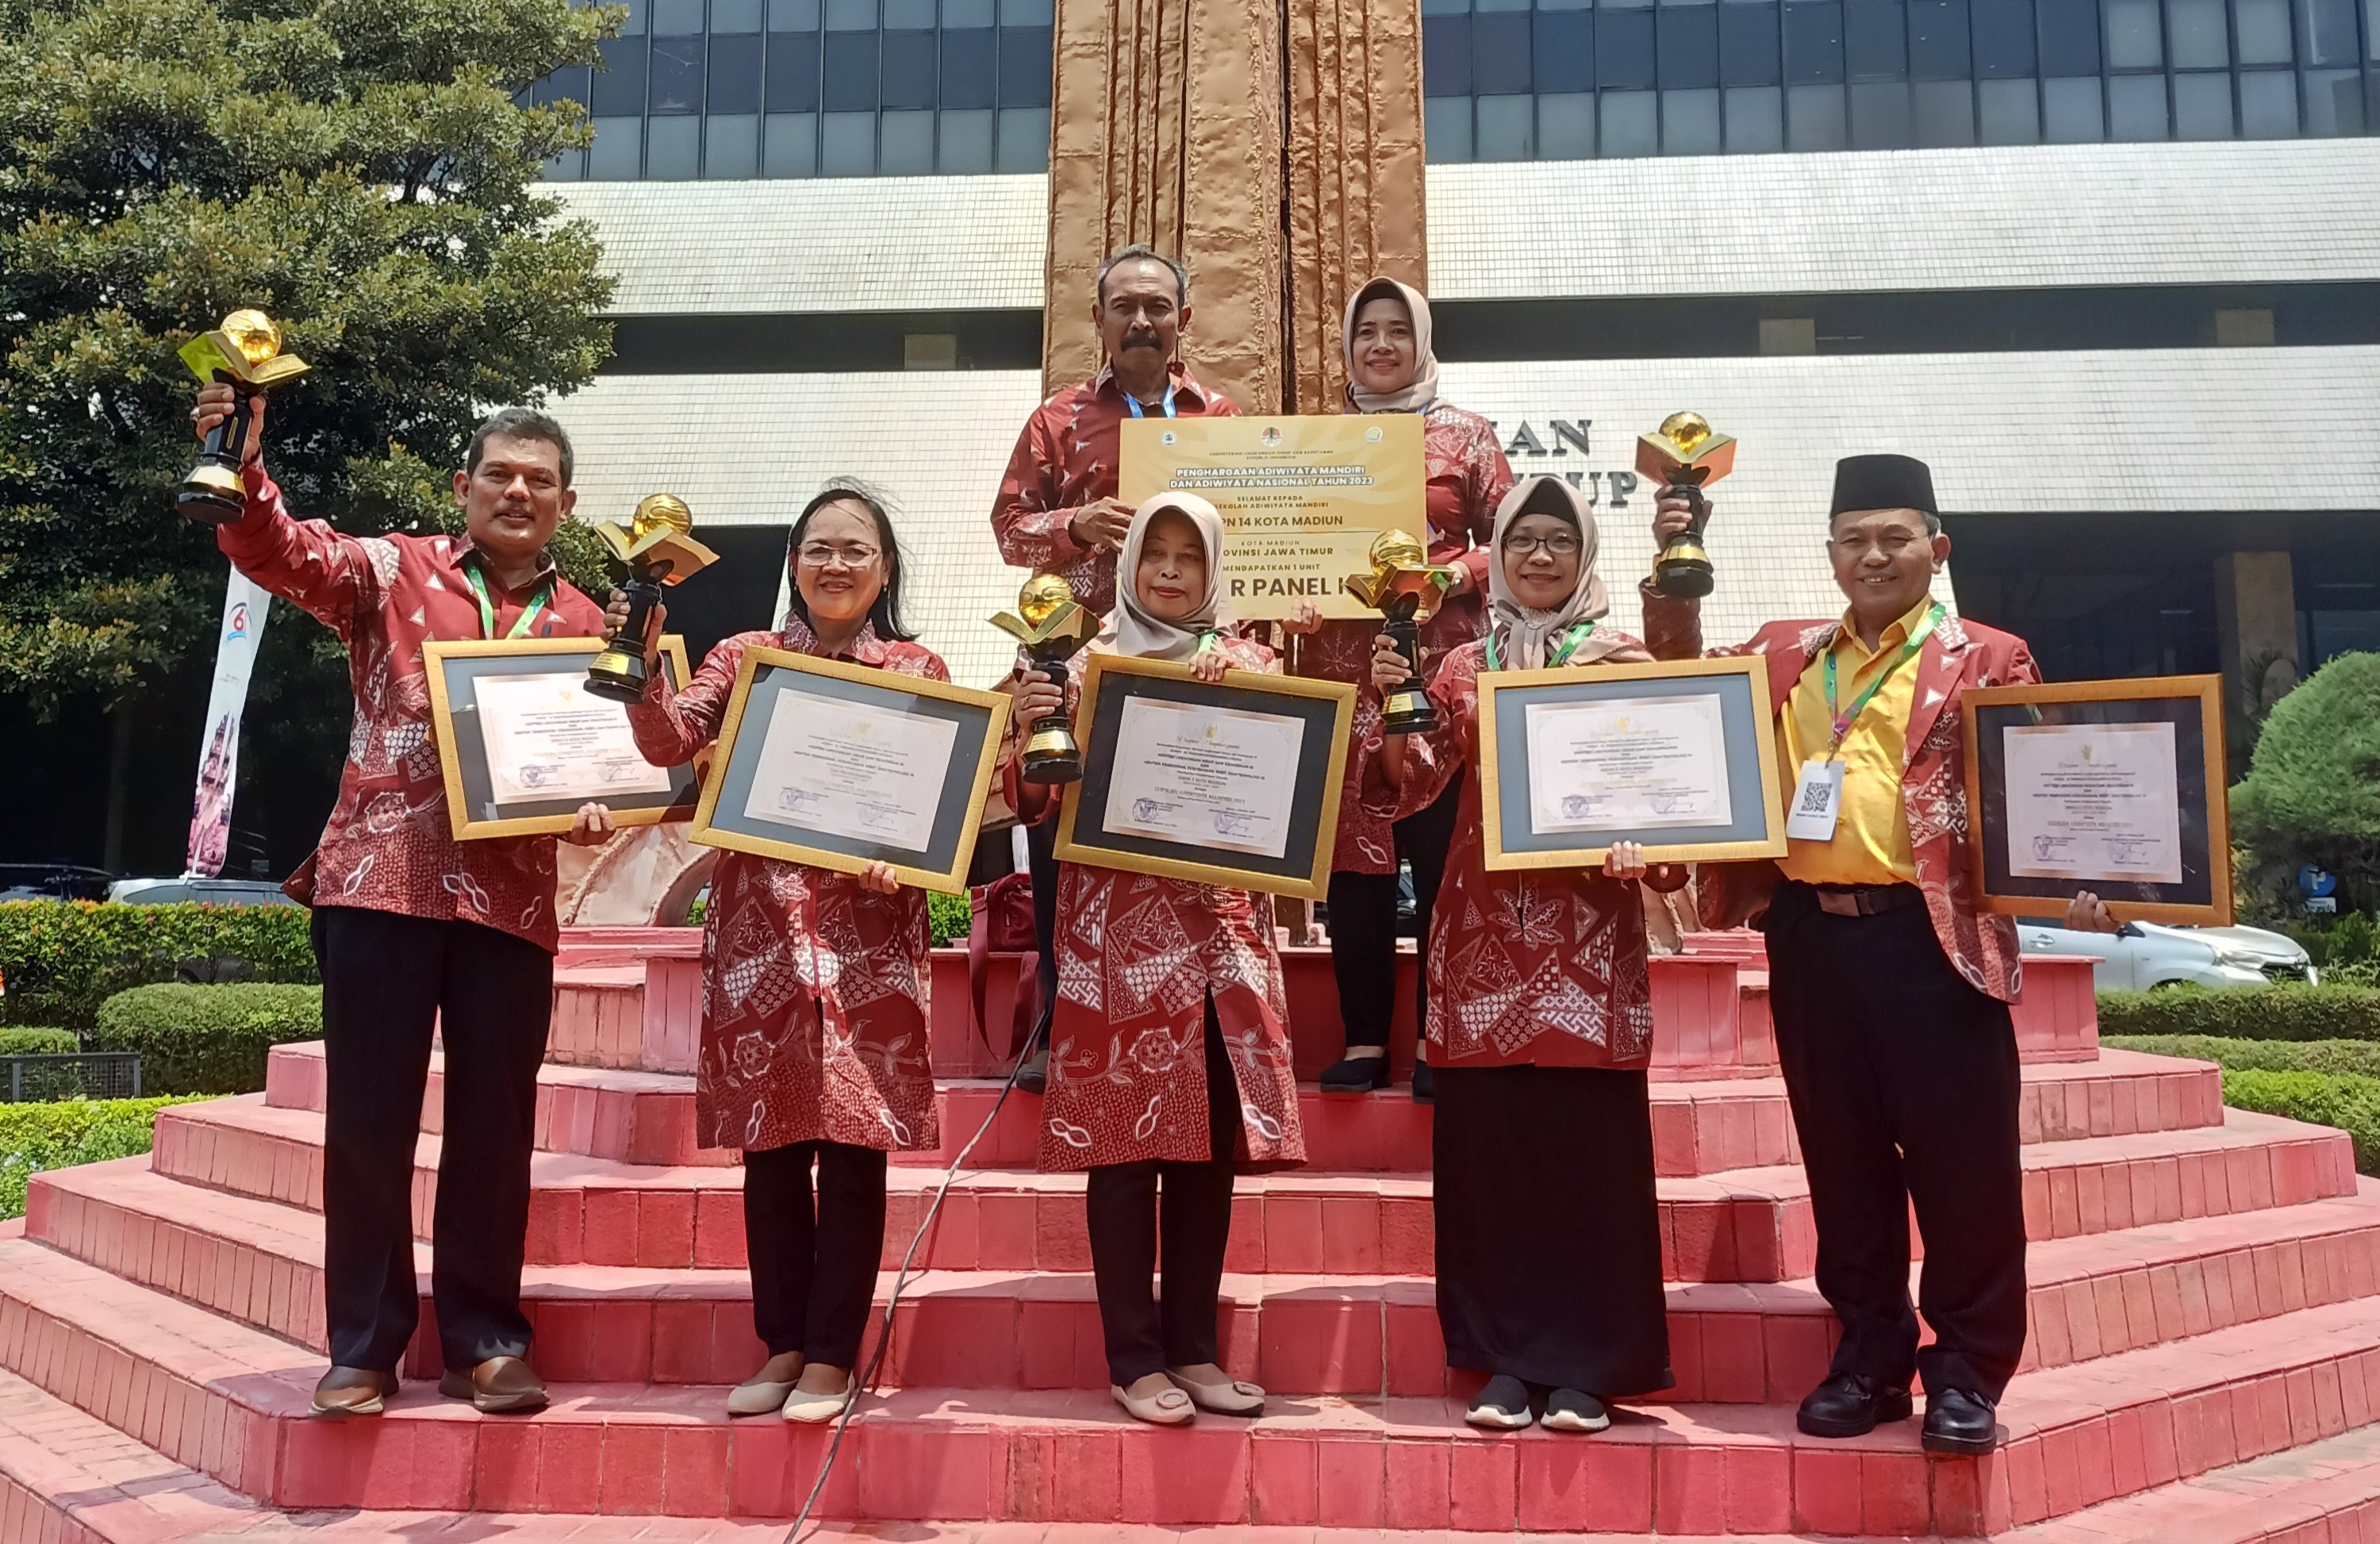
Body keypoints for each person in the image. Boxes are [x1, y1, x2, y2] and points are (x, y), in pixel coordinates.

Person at [1642, 452, 2113, 1457]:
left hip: (1931, 942)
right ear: (1830, 553)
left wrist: (2080, 867)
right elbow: (1681, 680)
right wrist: (1672, 556)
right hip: (1813, 936)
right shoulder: (1787, 653)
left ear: (1936, 549)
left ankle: (1968, 1371)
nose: (1874, 554)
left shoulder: (1985, 655)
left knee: (1964, 1169)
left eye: (1895, 537)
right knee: (1843, 1162)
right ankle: (1868, 1357)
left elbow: (2042, 783)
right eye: (1854, 538)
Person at [190, 382, 612, 1418]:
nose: (519, 492)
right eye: (501, 475)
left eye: (541, 481)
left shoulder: (587, 620)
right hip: (380, 881)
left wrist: (602, 803)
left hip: (510, 902)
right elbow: (280, 552)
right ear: (462, 486)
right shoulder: (392, 569)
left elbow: (603, 759)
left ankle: (488, 1338)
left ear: (565, 501)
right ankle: (365, 1345)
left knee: (496, 1125)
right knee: (369, 1119)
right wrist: (239, 465)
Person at [607, 481, 944, 1423]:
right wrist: (639, 661)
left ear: (884, 570)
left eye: (856, 548)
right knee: (771, 1143)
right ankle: (782, 1342)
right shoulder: (743, 657)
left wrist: (906, 858)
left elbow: (942, 802)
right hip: (761, 928)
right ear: (794, 563)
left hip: (871, 934)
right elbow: (668, 739)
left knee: (852, 1145)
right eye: (818, 547)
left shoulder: (916, 665)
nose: (835, 563)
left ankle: (834, 1354)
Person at [1365, 474, 1681, 1434]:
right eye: (1521, 540)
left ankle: (1590, 1363)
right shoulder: (1461, 663)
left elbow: (1671, 784)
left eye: (1559, 541)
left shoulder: (1621, 655)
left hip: (1589, 937)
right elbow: (1414, 786)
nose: (1539, 556)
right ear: (1495, 555)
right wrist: (1394, 705)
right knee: (1491, 1152)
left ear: (1586, 558)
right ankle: (1502, 1358)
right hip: (1480, 937)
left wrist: (1648, 847)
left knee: (1589, 1150)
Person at [1005, 493, 1305, 1427]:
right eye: (1155, 552)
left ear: (1214, 570)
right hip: (1114, 944)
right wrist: (1028, 720)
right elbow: (1028, 802)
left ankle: (1195, 1350)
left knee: (1208, 1150)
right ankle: (1135, 1358)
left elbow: (1301, 786)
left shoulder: (1253, 666)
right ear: (1129, 563)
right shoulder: (1082, 663)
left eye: (1189, 555)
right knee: (1128, 1153)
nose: (1170, 570)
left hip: (1222, 945)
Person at [991, 244, 1242, 1095]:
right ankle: (1065, 1026)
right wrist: (1075, 523)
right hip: (1076, 663)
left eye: (1157, 306)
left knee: (1186, 839)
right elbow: (1006, 530)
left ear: (1184, 320)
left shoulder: (1226, 419)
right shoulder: (1056, 419)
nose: (1141, 320)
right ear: (1097, 320)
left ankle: (1201, 1022)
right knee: (1062, 846)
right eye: (1124, 306)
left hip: (1184, 669)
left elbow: (1256, 537)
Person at [1281, 275, 1511, 1100]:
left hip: (1441, 674)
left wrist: (1449, 578)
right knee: (1355, 863)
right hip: (1345, 676)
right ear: (1348, 345)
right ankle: (1367, 1036)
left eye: (1397, 331)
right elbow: (1282, 549)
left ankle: (1442, 1037)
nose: (1381, 345)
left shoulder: (1469, 437)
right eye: (1366, 331)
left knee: (1443, 851)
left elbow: (1518, 543)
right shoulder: (1315, 442)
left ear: (1422, 340)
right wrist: (1287, 596)